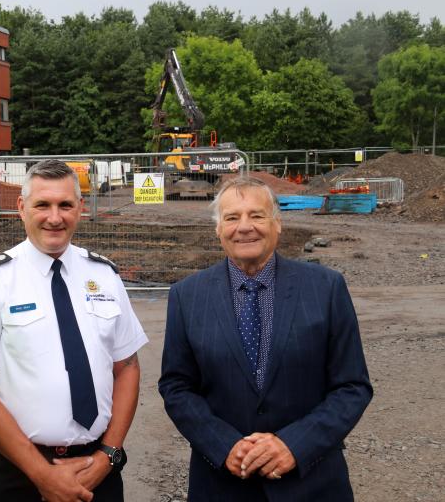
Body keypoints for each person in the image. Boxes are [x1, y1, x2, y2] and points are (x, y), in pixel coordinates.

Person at [158, 176, 373, 501]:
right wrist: (224, 445)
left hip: (312, 484)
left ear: (277, 223)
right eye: (232, 217)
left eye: (256, 215)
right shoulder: (187, 296)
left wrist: (294, 445)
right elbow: (176, 387)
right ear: (218, 229)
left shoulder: (325, 288)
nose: (244, 227)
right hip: (221, 485)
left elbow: (352, 386)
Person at [0, 159, 148, 502]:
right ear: (22, 208)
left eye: (65, 205)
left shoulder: (104, 275)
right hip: (15, 474)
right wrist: (42, 474)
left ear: (80, 207)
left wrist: (108, 455)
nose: (54, 217)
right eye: (42, 205)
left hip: (97, 467)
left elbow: (127, 368)